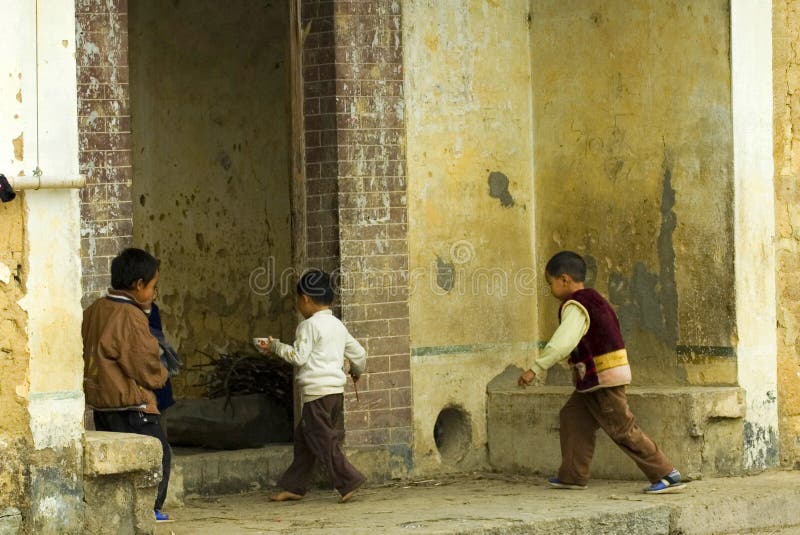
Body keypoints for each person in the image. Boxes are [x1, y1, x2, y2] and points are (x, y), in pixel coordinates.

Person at [518, 251, 686, 494]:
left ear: (564, 280)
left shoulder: (575, 305)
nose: (550, 288)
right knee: (572, 417)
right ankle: (573, 475)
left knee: (622, 428)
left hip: (602, 378)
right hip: (593, 381)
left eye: (550, 282)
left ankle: (666, 473)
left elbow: (562, 342)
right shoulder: (595, 299)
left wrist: (535, 369)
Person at [255, 270, 367, 503]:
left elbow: (298, 356)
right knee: (305, 440)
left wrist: (275, 346)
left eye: (298, 300)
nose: (298, 305)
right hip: (335, 394)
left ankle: (349, 480)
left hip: (316, 395)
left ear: (305, 298)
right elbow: (359, 354)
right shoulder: (338, 326)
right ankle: (294, 486)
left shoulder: (308, 326)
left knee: (322, 440)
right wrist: (355, 372)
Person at [82, 248, 173, 521]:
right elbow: (144, 364)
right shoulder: (130, 315)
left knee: (117, 465)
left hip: (102, 403)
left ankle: (123, 513)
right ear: (139, 285)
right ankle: (149, 509)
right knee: (158, 457)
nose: (154, 294)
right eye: (154, 287)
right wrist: (162, 376)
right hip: (132, 404)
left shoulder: (95, 309)